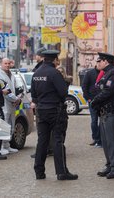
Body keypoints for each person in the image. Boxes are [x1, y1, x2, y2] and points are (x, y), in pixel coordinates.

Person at [31, 50, 78, 181]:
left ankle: (39, 171)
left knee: (42, 141)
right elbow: (63, 92)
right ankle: (61, 172)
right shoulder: (54, 73)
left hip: (41, 110)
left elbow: (34, 95)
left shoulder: (37, 73)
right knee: (58, 141)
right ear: (55, 60)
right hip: (55, 111)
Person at [91, 52, 114, 179]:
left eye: (100, 61)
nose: (98, 63)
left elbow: (108, 91)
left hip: (111, 111)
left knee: (111, 140)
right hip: (103, 112)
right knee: (105, 141)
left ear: (106, 61)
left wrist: (95, 100)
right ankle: (109, 165)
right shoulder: (105, 74)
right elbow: (99, 89)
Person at [0, 58, 21, 155]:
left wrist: (18, 98)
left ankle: (7, 145)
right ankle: (2, 146)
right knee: (4, 125)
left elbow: (14, 89)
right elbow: (6, 92)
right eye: (5, 63)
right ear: (1, 64)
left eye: (8, 63)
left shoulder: (11, 74)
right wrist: (16, 99)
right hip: (5, 105)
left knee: (11, 125)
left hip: (12, 105)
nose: (7, 65)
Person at [81, 64, 101, 147]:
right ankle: (95, 138)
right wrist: (88, 98)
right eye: (99, 62)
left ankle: (100, 138)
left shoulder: (105, 72)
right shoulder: (90, 73)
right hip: (92, 100)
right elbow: (84, 86)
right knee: (94, 120)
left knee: (102, 120)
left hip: (102, 100)